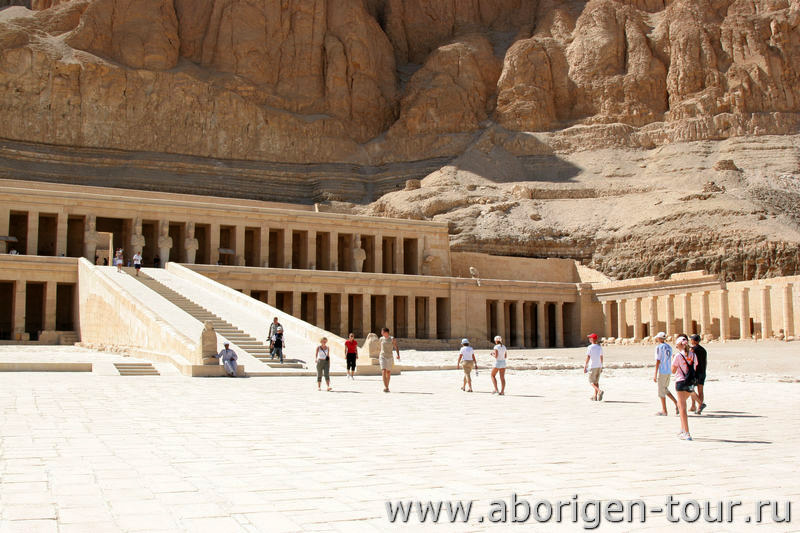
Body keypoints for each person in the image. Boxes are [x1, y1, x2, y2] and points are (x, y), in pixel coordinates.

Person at [672, 335, 698, 441]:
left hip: (680, 382)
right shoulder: (693, 355)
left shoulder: (678, 356)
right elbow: (695, 367)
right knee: (680, 404)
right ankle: (682, 429)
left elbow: (673, 370)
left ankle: (687, 432)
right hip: (690, 382)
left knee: (682, 408)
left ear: (679, 345)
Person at [653, 331, 678, 416]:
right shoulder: (669, 347)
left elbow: (658, 360)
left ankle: (664, 410)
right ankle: (676, 403)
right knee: (665, 389)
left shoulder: (659, 347)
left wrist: (655, 374)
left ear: (659, 339)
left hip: (662, 371)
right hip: (668, 371)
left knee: (661, 391)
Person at [689, 334, 708, 414]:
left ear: (694, 341)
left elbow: (690, 360)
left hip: (695, 372)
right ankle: (698, 408)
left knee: (691, 389)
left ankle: (695, 405)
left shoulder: (692, 349)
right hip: (702, 372)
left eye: (691, 339)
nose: (690, 340)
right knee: (700, 391)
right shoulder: (703, 350)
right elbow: (705, 362)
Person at [583, 333, 604, 401]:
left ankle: (599, 391)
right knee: (596, 382)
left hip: (593, 366)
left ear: (592, 339)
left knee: (591, 382)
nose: (589, 339)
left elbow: (588, 357)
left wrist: (585, 366)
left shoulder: (590, 347)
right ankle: (595, 396)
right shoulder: (599, 347)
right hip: (599, 366)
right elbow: (601, 357)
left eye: (590, 338)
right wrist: (601, 366)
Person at [379, 327, 400, 392]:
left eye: (382, 331)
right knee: (383, 371)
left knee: (388, 372)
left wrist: (398, 355)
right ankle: (386, 387)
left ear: (385, 332)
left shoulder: (392, 339)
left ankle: (387, 386)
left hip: (390, 357)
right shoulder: (381, 339)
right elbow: (379, 347)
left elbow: (396, 346)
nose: (381, 333)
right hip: (382, 356)